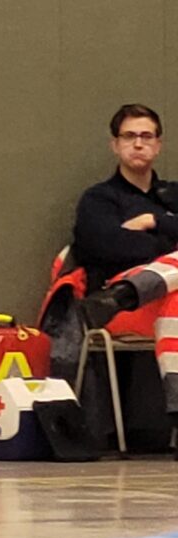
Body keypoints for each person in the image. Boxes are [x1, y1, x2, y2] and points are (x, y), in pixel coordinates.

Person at [73, 105, 178, 413]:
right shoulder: (99, 199)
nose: (138, 144)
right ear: (115, 144)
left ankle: (129, 292)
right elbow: (105, 246)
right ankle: (128, 292)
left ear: (158, 145)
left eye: (146, 136)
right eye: (129, 136)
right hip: (120, 309)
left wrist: (152, 221)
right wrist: (169, 240)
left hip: (150, 303)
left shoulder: (172, 196)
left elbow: (130, 244)